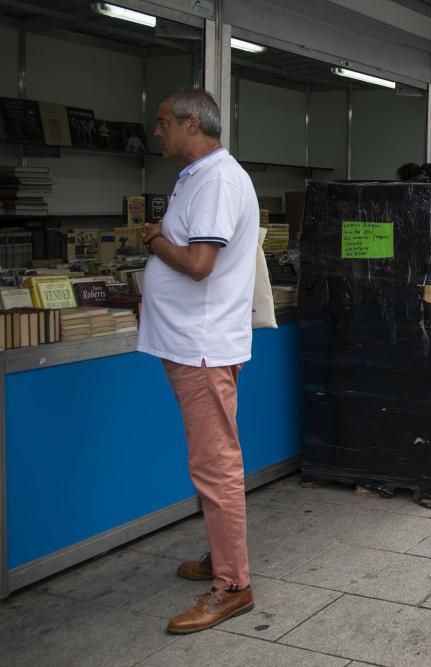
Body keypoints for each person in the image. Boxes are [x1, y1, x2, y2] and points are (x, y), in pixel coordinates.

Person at [138, 88, 259, 634]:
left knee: (215, 465)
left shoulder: (214, 180)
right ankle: (222, 553)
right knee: (212, 462)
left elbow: (198, 262)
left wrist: (155, 240)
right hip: (193, 344)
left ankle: (232, 584)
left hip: (202, 347)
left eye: (164, 122)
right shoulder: (200, 177)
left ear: (191, 124)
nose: (157, 131)